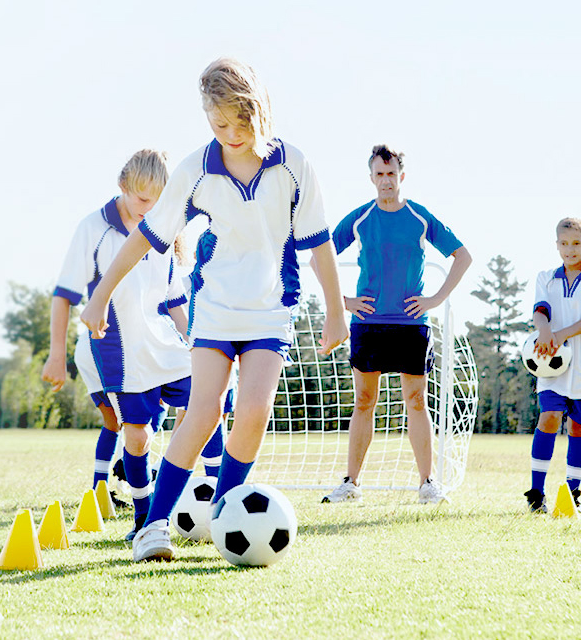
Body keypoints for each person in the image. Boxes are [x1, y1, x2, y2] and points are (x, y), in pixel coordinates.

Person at [80, 58, 347, 562]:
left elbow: (319, 241)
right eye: (217, 124)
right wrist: (100, 295)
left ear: (259, 113)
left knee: (253, 411)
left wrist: (336, 311)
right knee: (204, 411)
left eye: (239, 123)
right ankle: (152, 528)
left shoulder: (295, 165)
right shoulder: (197, 168)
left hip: (271, 308)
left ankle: (226, 511)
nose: (229, 134)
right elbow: (148, 235)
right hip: (217, 307)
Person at [41, 149, 195, 538]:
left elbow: (174, 297)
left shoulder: (163, 226)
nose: (150, 208)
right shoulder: (92, 229)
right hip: (121, 352)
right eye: (142, 199)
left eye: (157, 201)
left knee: (206, 407)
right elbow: (64, 295)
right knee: (138, 438)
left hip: (167, 344)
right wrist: (56, 356)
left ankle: (217, 496)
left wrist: (192, 341)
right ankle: (144, 518)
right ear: (123, 188)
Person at [320, 145, 472, 505]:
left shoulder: (419, 218)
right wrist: (342, 303)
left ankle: (428, 484)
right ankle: (351, 483)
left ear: (401, 176)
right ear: (371, 178)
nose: (385, 181)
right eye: (379, 175)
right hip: (367, 325)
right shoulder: (360, 218)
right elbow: (319, 257)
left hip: (411, 325)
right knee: (364, 400)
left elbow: (463, 256)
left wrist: (435, 299)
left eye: (391, 174)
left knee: (417, 401)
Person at [526, 218, 581, 513]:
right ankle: (536, 494)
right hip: (551, 365)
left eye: (576, 243)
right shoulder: (546, 277)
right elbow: (540, 309)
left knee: (578, 428)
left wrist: (560, 334)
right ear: (556, 244)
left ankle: (574, 495)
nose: (570, 249)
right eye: (564, 243)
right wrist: (544, 329)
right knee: (549, 417)